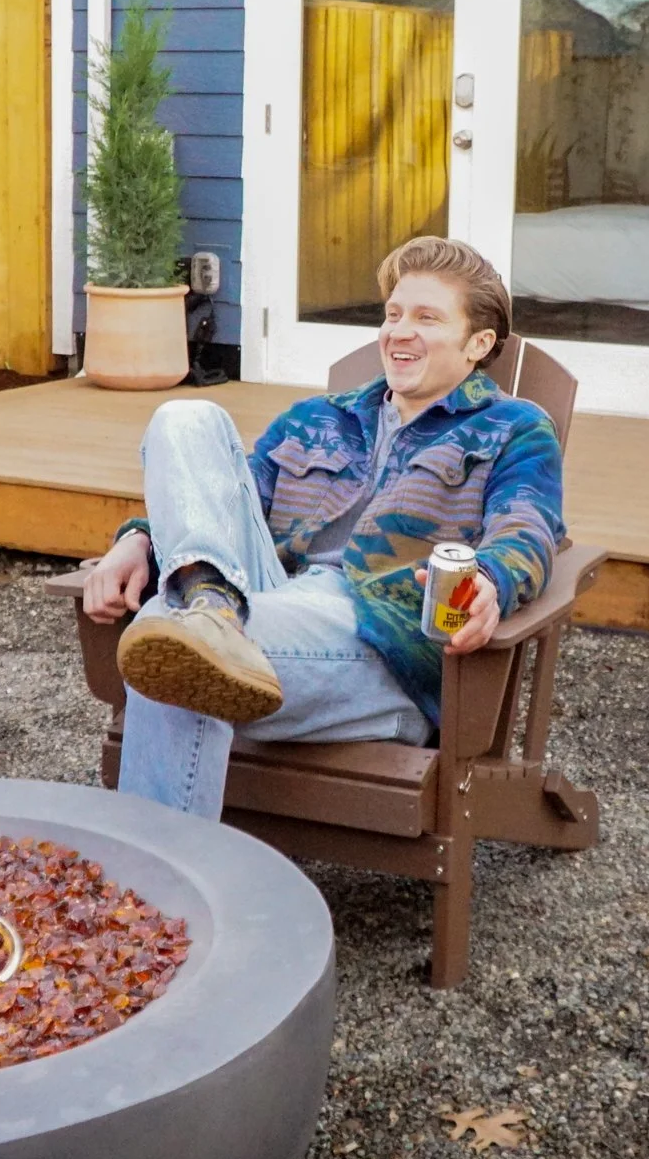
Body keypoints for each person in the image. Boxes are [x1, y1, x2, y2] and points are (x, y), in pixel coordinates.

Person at [81, 236, 565, 818]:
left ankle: (154, 885)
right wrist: (139, 539)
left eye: (426, 318)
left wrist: (490, 581)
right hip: (268, 602)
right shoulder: (318, 419)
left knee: (167, 629)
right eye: (392, 314)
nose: (399, 331)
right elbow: (215, 503)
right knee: (186, 417)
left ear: (478, 342)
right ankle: (209, 603)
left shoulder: (513, 428)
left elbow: (528, 530)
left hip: (377, 640)